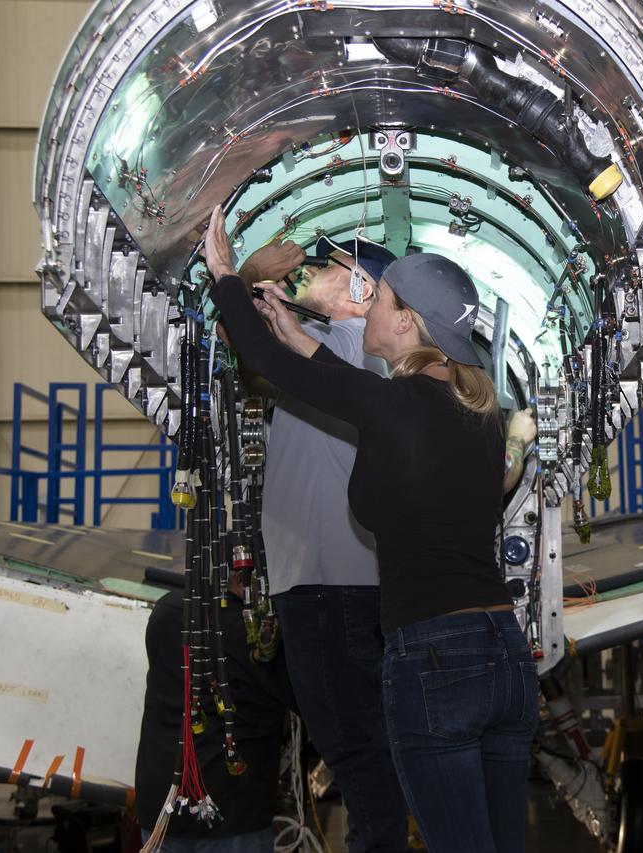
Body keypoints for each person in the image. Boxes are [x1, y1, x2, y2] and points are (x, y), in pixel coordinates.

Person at [205, 206, 539, 853]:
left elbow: (282, 366)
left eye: (380, 297)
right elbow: (338, 382)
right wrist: (294, 334)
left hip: (435, 655)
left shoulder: (391, 407)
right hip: (503, 651)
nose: (367, 303)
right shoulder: (479, 412)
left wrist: (225, 272)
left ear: (407, 322)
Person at [238, 234, 412, 853]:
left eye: (328, 266)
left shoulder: (347, 349)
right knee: (361, 742)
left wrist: (242, 279)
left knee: (354, 748)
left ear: (363, 291)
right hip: (329, 580)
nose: (307, 271)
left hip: (325, 582)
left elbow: (253, 358)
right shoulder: (341, 354)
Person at [134, 570, 295, 852]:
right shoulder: (254, 636)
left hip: (161, 810)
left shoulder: (167, 610)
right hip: (231, 817)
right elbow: (306, 697)